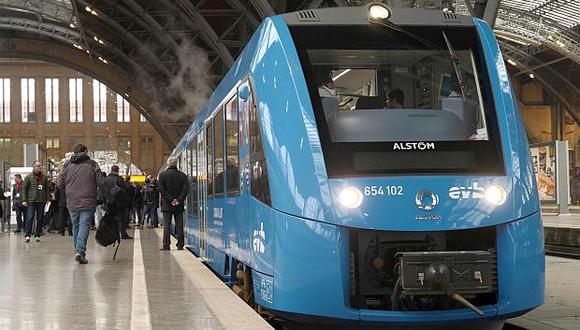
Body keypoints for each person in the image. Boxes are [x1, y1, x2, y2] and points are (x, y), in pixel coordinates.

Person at [58, 144, 104, 264]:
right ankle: (80, 251)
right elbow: (100, 182)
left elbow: (60, 183)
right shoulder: (92, 164)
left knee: (76, 226)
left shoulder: (67, 165)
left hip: (72, 201)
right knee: (84, 226)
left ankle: (78, 252)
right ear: (85, 151)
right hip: (88, 200)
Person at [158, 157, 188, 250]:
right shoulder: (183, 175)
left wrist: (171, 199)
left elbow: (161, 189)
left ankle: (166, 245)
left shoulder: (162, 175)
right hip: (179, 205)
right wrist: (178, 199)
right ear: (176, 164)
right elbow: (185, 189)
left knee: (167, 225)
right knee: (179, 225)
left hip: (167, 204)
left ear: (168, 164)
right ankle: (180, 244)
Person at [22, 161, 50, 242]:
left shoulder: (44, 178)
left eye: (40, 166)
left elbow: (47, 189)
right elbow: (24, 189)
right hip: (31, 200)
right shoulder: (28, 177)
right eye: (37, 166)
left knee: (40, 218)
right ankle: (27, 235)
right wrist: (24, 200)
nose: (39, 167)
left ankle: (38, 234)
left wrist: (47, 199)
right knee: (30, 217)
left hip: (41, 200)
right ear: (33, 167)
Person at [103, 165, 133, 239]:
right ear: (118, 170)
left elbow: (103, 191)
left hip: (109, 202)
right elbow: (123, 191)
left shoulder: (105, 179)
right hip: (118, 203)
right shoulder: (119, 179)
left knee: (111, 219)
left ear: (111, 170)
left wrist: (105, 201)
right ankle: (122, 233)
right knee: (122, 219)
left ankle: (111, 234)